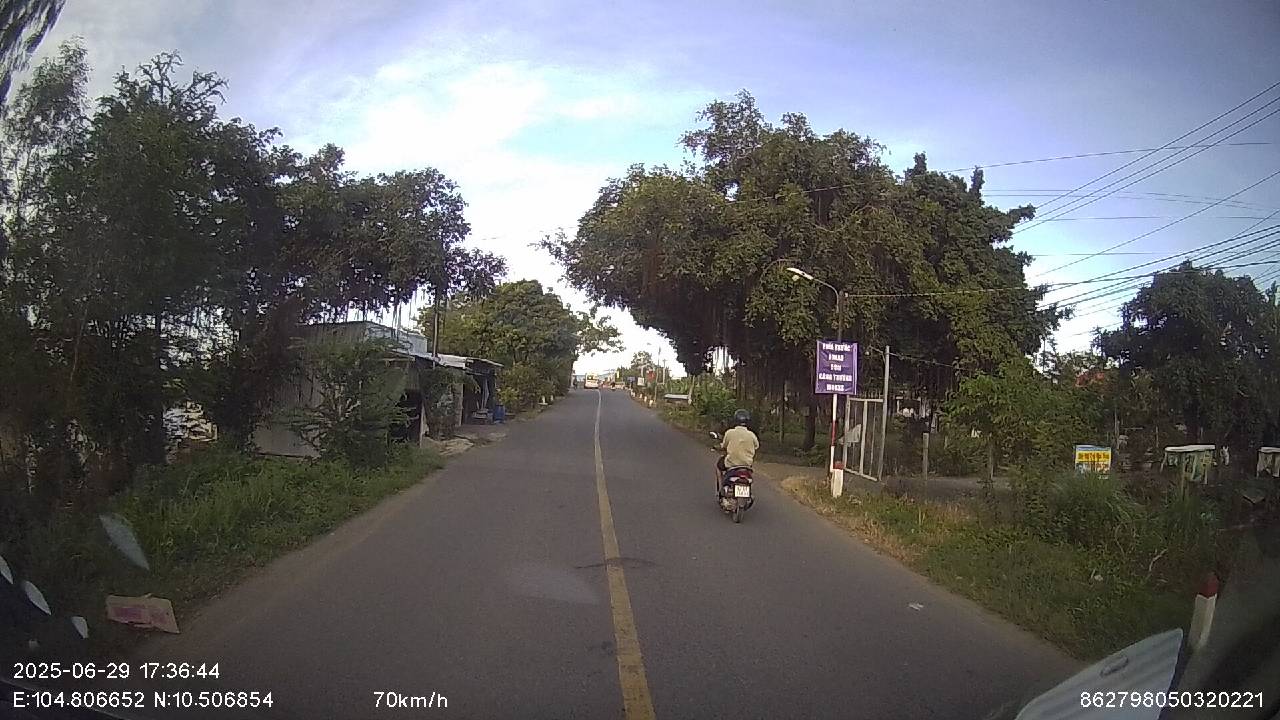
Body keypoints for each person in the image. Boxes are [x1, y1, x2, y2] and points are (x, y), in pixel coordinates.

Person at [717, 408, 760, 477]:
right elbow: (756, 446)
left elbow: (724, 445)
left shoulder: (729, 433)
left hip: (731, 464)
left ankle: (720, 483)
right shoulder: (752, 435)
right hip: (747, 464)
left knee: (718, 467)